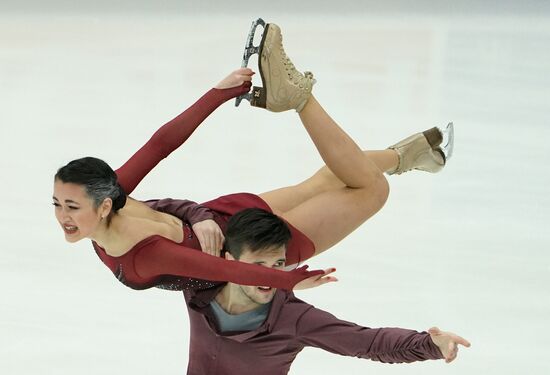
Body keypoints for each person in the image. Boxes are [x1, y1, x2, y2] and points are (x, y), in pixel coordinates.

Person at [53, 22, 451, 292]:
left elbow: (161, 144)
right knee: (369, 187)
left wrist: (219, 93)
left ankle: (398, 151)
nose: (62, 217)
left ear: (105, 204)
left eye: (69, 205)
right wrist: (288, 282)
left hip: (225, 218)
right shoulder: (142, 256)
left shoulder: (115, 197)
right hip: (253, 250)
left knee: (331, 182)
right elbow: (221, 269)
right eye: (59, 205)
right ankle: (403, 154)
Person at [182, 208, 470, 375]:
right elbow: (145, 215)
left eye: (278, 264)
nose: (270, 275)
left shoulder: (293, 319)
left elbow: (368, 342)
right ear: (229, 262)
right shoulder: (199, 285)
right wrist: (197, 214)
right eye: (259, 265)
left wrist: (430, 345)